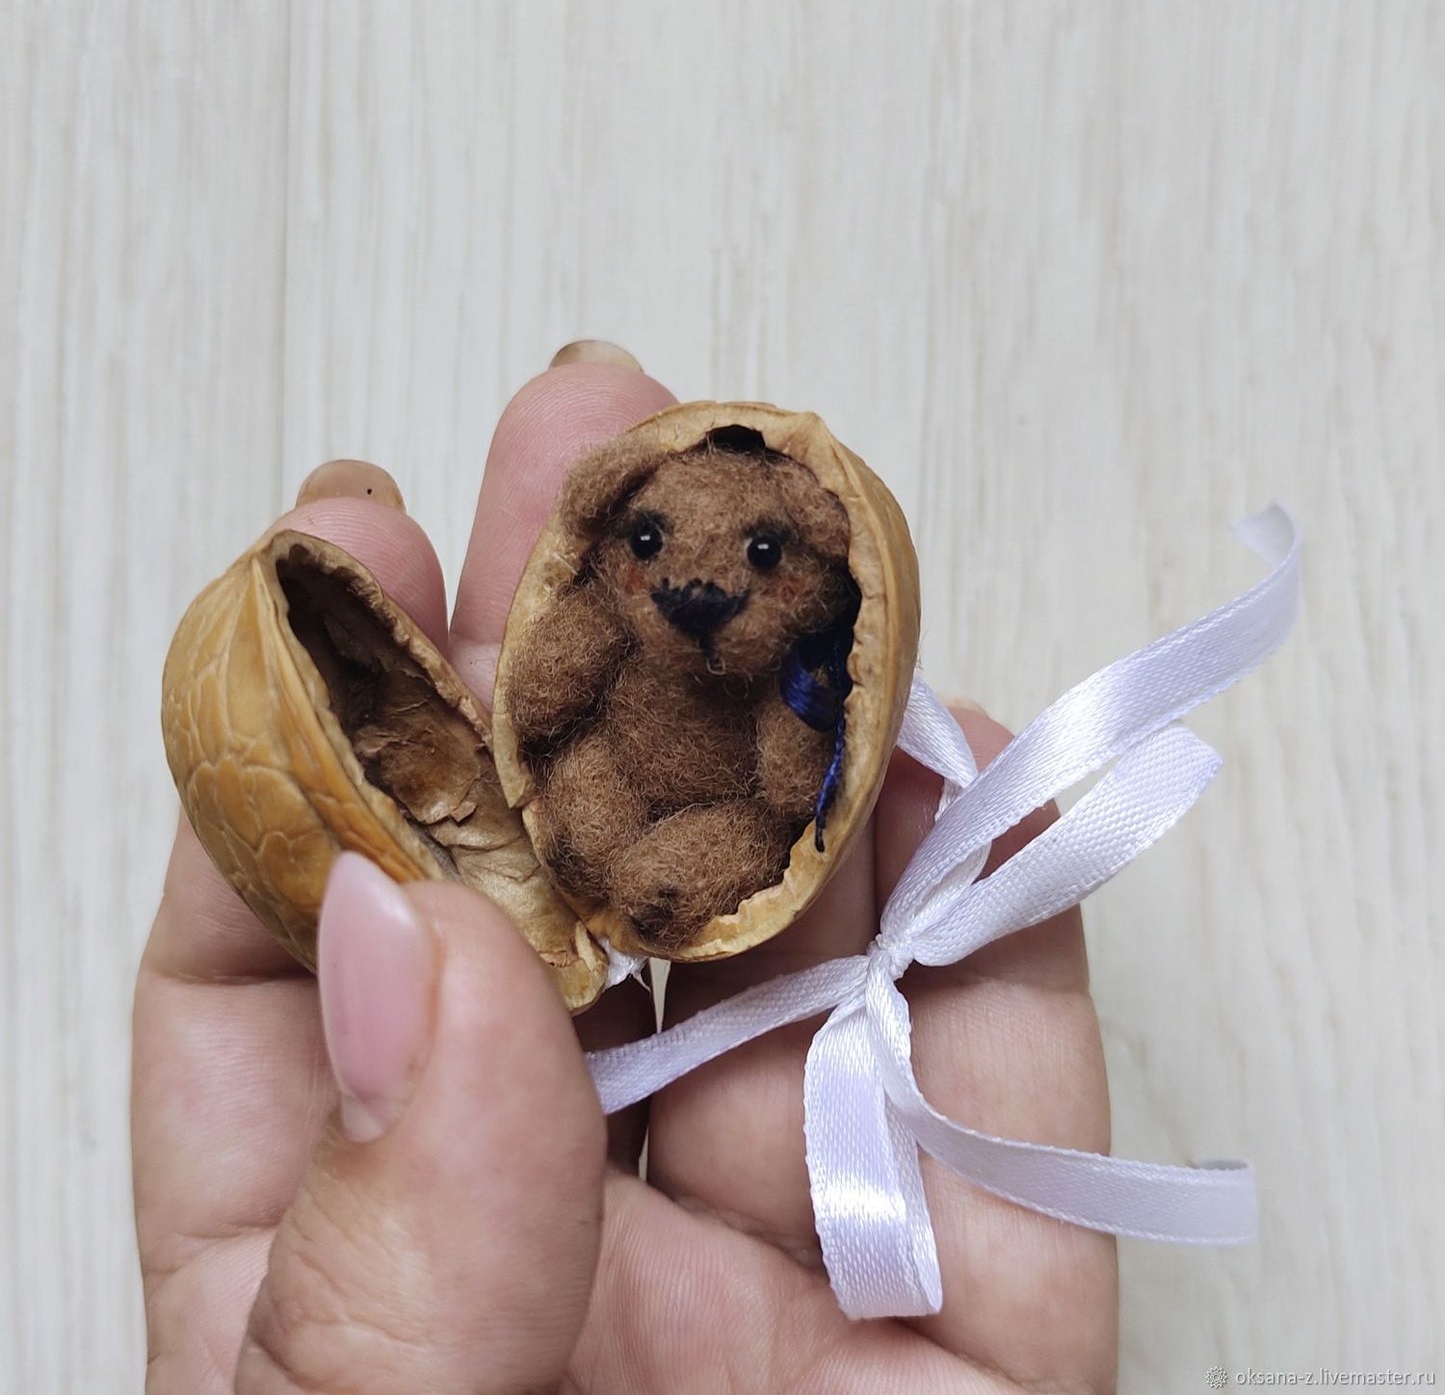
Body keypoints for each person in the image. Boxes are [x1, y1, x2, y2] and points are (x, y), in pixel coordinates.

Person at [131, 343, 1118, 1393]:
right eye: (647, 539)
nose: (693, 584)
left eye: (764, 554)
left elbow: (789, 788)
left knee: (675, 858)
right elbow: (556, 680)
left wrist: (796, 757)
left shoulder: (791, 674)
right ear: (612, 525)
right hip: (597, 803)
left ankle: (632, 873)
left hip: (712, 822)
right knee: (592, 805)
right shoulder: (602, 630)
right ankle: (598, 860)